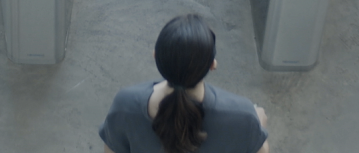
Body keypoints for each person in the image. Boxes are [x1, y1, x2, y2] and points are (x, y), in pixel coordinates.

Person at [99, 14, 270, 153]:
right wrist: (257, 125)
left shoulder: (124, 105)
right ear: (212, 65)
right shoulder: (242, 115)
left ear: (155, 56)